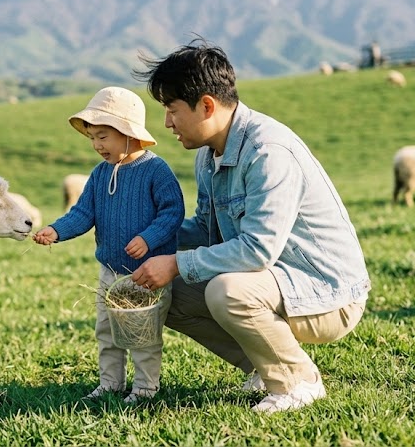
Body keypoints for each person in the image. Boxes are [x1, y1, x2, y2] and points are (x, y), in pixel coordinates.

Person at [128, 39, 371, 413]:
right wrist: (147, 238)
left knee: (228, 290)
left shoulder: (268, 152)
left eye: (172, 109)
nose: (167, 123)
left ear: (206, 105)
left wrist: (175, 262)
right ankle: (265, 366)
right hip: (277, 281)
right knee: (166, 292)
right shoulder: (210, 156)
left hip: (329, 293)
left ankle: (298, 381)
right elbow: (208, 231)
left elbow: (257, 249)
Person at [33, 86, 185, 403]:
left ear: (127, 132)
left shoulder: (156, 170)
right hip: (109, 273)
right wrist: (56, 230)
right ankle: (110, 383)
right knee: (107, 331)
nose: (96, 145)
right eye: (92, 137)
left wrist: (149, 238)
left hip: (146, 275)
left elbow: (173, 212)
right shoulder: (100, 174)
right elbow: (83, 212)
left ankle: (144, 388)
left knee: (143, 334)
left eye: (103, 136)